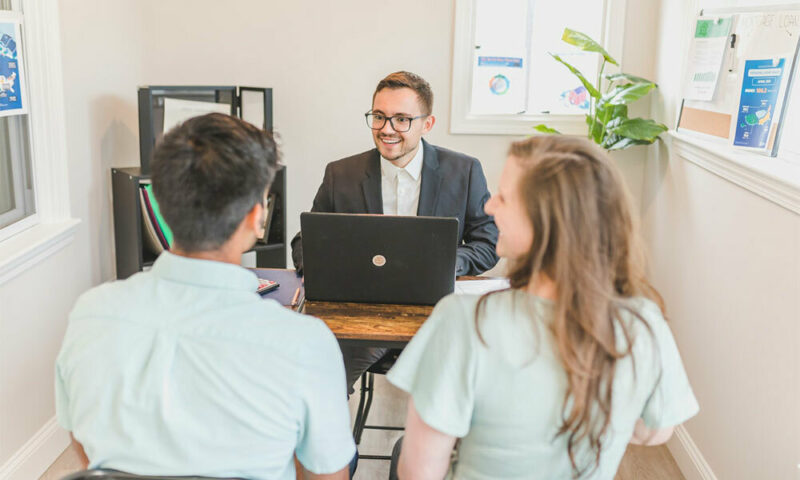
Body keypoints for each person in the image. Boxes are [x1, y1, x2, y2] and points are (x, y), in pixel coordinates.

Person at [55, 113, 355, 480]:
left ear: (162, 206)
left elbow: (86, 450)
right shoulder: (306, 343)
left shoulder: (91, 313)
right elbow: (327, 475)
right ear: (256, 217)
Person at [386, 136, 699, 479]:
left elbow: (419, 472)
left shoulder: (463, 321)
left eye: (503, 198)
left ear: (546, 220)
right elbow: (655, 431)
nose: (490, 208)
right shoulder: (644, 322)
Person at [291, 71, 499, 393]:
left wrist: (447, 263)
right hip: (361, 319)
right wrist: (329, 270)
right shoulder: (340, 174)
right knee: (314, 379)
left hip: (436, 317)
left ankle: (424, 444)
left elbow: (488, 242)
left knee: (464, 383)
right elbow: (305, 241)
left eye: (402, 119)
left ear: (426, 124)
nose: (387, 130)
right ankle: (332, 444)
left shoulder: (464, 171)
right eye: (379, 117)